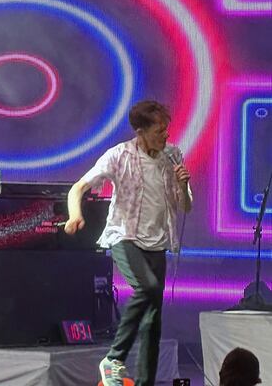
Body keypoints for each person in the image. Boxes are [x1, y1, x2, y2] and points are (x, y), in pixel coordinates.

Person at [64, 100, 192, 386]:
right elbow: (79, 187)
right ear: (140, 131)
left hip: (157, 242)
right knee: (147, 286)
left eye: (166, 129)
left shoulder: (172, 156)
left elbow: (186, 206)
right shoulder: (119, 155)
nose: (166, 135)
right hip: (125, 236)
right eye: (159, 130)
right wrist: (75, 214)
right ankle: (113, 359)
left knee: (152, 321)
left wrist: (183, 184)